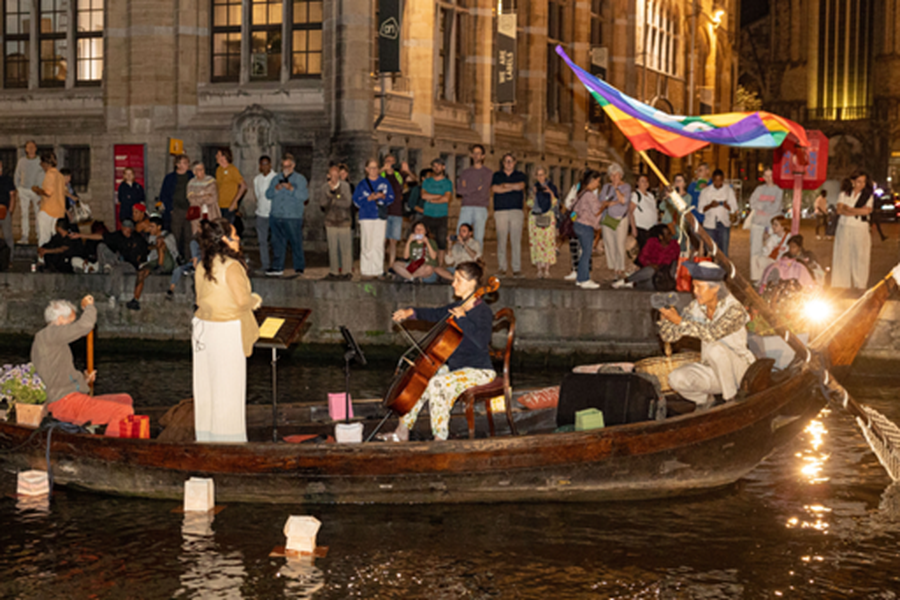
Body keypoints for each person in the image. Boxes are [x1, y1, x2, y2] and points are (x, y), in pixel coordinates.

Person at [380, 262, 495, 441]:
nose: (453, 283)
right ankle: (401, 431)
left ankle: (440, 440)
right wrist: (410, 312)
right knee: (423, 376)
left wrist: (463, 319)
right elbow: (435, 313)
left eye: (458, 280)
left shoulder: (483, 312)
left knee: (439, 384)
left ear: (473, 283)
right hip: (457, 368)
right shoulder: (459, 306)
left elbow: (482, 342)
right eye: (454, 278)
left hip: (479, 371)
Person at [192, 218, 262, 443]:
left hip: (204, 328)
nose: (238, 238)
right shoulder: (232, 266)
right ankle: (228, 441)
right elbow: (241, 301)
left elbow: (198, 298)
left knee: (207, 387)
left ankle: (205, 437)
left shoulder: (202, 264)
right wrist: (255, 300)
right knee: (228, 388)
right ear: (224, 239)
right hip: (227, 330)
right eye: (235, 235)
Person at [658, 262, 755, 410]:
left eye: (699, 287)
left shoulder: (735, 309)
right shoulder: (696, 306)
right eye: (694, 286)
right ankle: (705, 401)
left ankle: (731, 401)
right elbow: (669, 337)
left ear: (715, 288)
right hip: (715, 372)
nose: (695, 291)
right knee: (675, 379)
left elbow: (711, 333)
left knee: (714, 348)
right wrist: (665, 319)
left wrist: (678, 320)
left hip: (740, 373)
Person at [32, 295, 135, 436]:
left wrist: (84, 380)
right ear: (61, 319)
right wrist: (89, 307)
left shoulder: (53, 341)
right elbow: (85, 326)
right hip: (65, 403)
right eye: (71, 322)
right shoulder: (48, 335)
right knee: (123, 411)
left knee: (125, 400)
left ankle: (113, 433)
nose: (71, 326)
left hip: (71, 398)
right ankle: (108, 451)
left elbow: (60, 375)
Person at [73, 219, 149, 310]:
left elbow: (146, 251)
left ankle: (113, 296)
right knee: (101, 246)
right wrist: (80, 235)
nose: (125, 232)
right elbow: (100, 237)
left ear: (131, 229)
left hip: (129, 265)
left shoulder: (137, 239)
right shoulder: (118, 235)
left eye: (127, 230)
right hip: (117, 260)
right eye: (123, 229)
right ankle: (106, 267)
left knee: (117, 269)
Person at [265, 153, 309, 277]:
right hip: (276, 215)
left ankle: (299, 268)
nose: (286, 168)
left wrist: (291, 189)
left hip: (293, 217)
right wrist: (275, 189)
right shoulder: (275, 178)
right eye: (284, 166)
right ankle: (277, 267)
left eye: (288, 166)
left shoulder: (300, 179)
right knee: (277, 243)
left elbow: (305, 196)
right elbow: (268, 195)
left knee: (296, 242)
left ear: (293, 165)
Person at [832, 169, 874, 290]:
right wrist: (856, 211)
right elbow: (839, 210)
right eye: (859, 181)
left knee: (861, 257)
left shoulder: (867, 196)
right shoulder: (844, 194)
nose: (861, 184)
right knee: (842, 256)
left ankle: (860, 285)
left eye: (863, 182)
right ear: (852, 182)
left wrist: (849, 209)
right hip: (844, 227)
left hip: (860, 228)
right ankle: (840, 286)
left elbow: (867, 211)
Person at [353, 159, 395, 279]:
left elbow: (392, 197)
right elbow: (356, 201)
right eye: (371, 168)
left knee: (378, 244)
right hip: (366, 216)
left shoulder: (384, 182)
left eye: (376, 167)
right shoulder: (362, 184)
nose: (374, 170)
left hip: (380, 216)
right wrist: (369, 199)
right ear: (367, 169)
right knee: (367, 243)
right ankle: (366, 270)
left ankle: (377, 270)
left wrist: (383, 197)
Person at [491, 153, 527, 278]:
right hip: (500, 210)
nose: (508, 163)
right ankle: (502, 267)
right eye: (506, 161)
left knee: (516, 240)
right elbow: (495, 189)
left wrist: (505, 186)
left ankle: (516, 268)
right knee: (501, 240)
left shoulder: (520, 175)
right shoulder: (497, 175)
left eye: (510, 161)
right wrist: (512, 187)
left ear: (515, 162)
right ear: (503, 163)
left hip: (516, 210)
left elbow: (521, 186)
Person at [615, 224, 680, 290]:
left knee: (652, 283)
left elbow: (676, 261)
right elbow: (642, 257)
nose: (671, 235)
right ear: (661, 236)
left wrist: (662, 266)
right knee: (650, 271)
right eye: (668, 234)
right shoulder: (652, 242)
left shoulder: (674, 245)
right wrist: (650, 264)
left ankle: (633, 284)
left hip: (665, 274)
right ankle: (625, 281)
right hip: (650, 271)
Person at [747, 167, 783, 281]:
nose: (768, 178)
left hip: (772, 225)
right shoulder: (759, 189)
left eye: (770, 175)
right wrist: (766, 204)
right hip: (758, 223)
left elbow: (776, 207)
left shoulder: (778, 190)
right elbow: (752, 202)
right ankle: (756, 277)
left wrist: (762, 204)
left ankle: (769, 276)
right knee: (755, 250)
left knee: (770, 250)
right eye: (766, 176)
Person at [599, 163, 632, 283]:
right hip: (607, 218)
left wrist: (617, 189)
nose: (614, 178)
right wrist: (613, 202)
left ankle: (620, 269)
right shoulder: (606, 187)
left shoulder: (626, 187)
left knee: (620, 243)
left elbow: (623, 200)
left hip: (621, 219)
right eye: (611, 175)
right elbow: (602, 202)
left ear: (621, 175)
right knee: (609, 244)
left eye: (616, 175)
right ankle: (613, 268)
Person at [571, 170, 603, 289]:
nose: (598, 184)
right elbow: (596, 211)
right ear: (593, 181)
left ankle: (580, 277)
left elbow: (573, 206)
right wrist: (605, 205)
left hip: (578, 224)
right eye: (598, 181)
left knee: (584, 252)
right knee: (586, 253)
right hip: (586, 225)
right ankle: (584, 279)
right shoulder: (589, 195)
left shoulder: (582, 192)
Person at [321, 164, 353, 280]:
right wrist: (331, 195)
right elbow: (323, 204)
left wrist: (334, 199)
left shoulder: (345, 186)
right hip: (330, 221)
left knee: (345, 248)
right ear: (328, 176)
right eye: (332, 175)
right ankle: (334, 271)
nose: (334, 178)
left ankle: (347, 271)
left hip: (343, 221)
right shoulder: (325, 188)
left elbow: (347, 203)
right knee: (332, 248)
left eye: (336, 175)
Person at [525, 167, 559, 279]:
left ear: (546, 175)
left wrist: (550, 193)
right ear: (535, 176)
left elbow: (555, 204)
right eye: (538, 175)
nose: (540, 177)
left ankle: (547, 270)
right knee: (536, 244)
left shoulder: (552, 187)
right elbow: (529, 203)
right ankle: (539, 269)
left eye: (542, 174)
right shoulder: (533, 188)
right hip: (535, 217)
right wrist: (534, 194)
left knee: (548, 243)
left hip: (548, 216)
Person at [456, 144, 492, 245]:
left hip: (480, 207)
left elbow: (483, 190)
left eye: (478, 153)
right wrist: (476, 188)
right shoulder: (465, 172)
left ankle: (477, 259)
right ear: (471, 155)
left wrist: (467, 188)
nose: (476, 155)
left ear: (483, 156)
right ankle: (460, 258)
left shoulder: (488, 173)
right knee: (460, 234)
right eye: (474, 153)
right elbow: (459, 190)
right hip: (466, 206)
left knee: (478, 237)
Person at [30, 150, 66, 249]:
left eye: (41, 163)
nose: (41, 165)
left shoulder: (50, 174)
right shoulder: (60, 175)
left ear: (45, 163)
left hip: (48, 211)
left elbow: (48, 192)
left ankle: (42, 260)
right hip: (58, 210)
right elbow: (60, 192)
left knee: (44, 237)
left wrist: (37, 190)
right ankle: (52, 260)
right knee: (54, 237)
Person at [159, 154, 193, 256]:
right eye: (184, 163)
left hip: (189, 209)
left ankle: (189, 258)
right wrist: (170, 209)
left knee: (189, 236)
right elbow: (164, 194)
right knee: (175, 236)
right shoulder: (170, 178)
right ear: (177, 164)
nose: (186, 165)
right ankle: (175, 258)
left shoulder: (191, 176)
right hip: (176, 210)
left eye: (187, 163)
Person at [698, 168, 738, 255]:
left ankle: (722, 268)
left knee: (723, 251)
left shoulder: (728, 191)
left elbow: (734, 208)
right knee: (709, 251)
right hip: (709, 224)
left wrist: (726, 206)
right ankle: (709, 267)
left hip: (723, 224)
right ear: (712, 179)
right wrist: (710, 205)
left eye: (720, 180)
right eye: (715, 180)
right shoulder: (706, 191)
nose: (718, 183)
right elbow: (700, 209)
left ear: (723, 179)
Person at [421, 158, 453, 265]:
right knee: (424, 238)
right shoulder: (427, 181)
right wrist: (438, 196)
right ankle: (424, 261)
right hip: (428, 215)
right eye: (434, 166)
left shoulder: (447, 183)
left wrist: (431, 200)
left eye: (439, 165)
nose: (436, 168)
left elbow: (446, 199)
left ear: (443, 167)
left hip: (441, 215)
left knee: (441, 241)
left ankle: (439, 265)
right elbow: (423, 195)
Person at [14, 140, 42, 245]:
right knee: (24, 214)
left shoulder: (39, 161)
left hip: (36, 191)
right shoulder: (21, 161)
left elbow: (42, 175)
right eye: (28, 147)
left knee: (38, 214)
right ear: (25, 149)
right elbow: (17, 174)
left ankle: (39, 235)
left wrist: (40, 189)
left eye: (32, 147)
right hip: (23, 190)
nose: (30, 149)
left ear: (36, 148)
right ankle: (25, 235)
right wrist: (18, 188)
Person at [252, 155, 277, 273]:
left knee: (276, 240)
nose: (265, 166)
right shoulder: (257, 179)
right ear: (260, 166)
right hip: (261, 213)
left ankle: (277, 264)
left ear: (270, 165)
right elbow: (258, 195)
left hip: (274, 214)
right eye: (262, 164)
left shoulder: (276, 178)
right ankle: (265, 264)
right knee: (262, 241)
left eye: (267, 163)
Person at [750, 215, 790, 284]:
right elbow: (766, 251)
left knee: (763, 261)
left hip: (784, 262)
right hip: (774, 260)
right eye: (773, 224)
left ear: (782, 226)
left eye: (776, 225)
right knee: (757, 259)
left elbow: (787, 252)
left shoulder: (789, 237)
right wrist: (765, 241)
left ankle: (765, 281)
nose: (773, 227)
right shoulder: (773, 237)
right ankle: (761, 280)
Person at [382, 155, 405, 267]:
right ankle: (380, 264)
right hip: (384, 212)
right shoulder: (381, 175)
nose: (390, 163)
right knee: (382, 241)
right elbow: (371, 178)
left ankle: (391, 265)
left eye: (392, 161)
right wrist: (382, 169)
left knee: (393, 241)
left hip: (396, 212)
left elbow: (413, 179)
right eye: (387, 161)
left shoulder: (398, 175)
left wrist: (408, 170)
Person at [186, 161, 220, 234]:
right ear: (194, 172)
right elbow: (191, 199)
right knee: (198, 235)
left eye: (202, 169)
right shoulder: (191, 183)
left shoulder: (211, 181)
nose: (202, 171)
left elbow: (212, 198)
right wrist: (204, 195)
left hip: (210, 212)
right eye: (199, 169)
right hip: (197, 214)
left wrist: (198, 195)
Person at [215, 147, 246, 223]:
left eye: (218, 155)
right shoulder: (218, 170)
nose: (216, 156)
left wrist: (234, 202)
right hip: (219, 205)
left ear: (223, 157)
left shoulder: (232, 169)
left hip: (229, 206)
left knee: (227, 230)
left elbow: (244, 186)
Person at [629, 173, 658, 251]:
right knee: (644, 250)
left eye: (646, 181)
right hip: (641, 227)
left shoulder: (650, 196)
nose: (645, 183)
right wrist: (633, 227)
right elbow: (630, 212)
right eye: (642, 181)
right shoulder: (635, 195)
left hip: (651, 227)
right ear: (637, 183)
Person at [119, 166, 148, 232]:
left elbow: (142, 199)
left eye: (130, 174)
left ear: (133, 175)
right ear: (124, 175)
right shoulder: (122, 187)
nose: (129, 176)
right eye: (127, 174)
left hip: (137, 216)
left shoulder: (138, 186)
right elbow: (122, 199)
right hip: (126, 214)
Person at [0, 159, 17, 259]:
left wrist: (10, 209)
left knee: (8, 236)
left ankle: (9, 258)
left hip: (4, 209)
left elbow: (12, 195)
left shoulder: (7, 179)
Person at [687, 162, 710, 227]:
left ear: (707, 171)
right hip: (695, 219)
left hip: (709, 219)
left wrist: (707, 189)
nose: (698, 173)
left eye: (700, 170)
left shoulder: (713, 185)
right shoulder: (692, 185)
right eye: (697, 171)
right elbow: (688, 201)